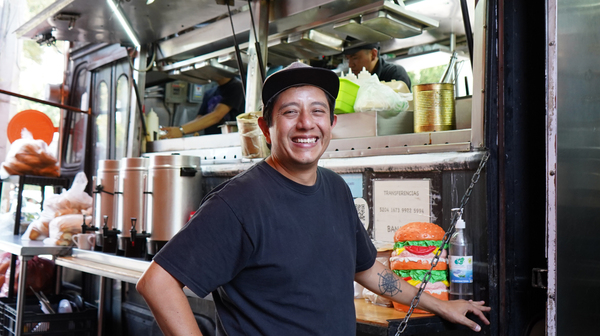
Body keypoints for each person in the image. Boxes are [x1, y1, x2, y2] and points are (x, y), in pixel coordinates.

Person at [136, 62, 490, 335]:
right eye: (290, 112)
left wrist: (441, 306)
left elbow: (366, 269)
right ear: (265, 127)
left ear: (332, 123)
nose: (306, 123)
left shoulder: (336, 189)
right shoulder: (239, 202)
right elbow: (157, 282)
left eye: (317, 111)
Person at [161, 75, 245, 138]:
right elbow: (199, 118)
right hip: (210, 140)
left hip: (229, 140)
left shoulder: (236, 87)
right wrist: (193, 131)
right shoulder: (209, 92)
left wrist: (181, 130)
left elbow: (217, 115)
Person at [344, 42, 412, 88]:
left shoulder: (395, 73)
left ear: (373, 54)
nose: (350, 65)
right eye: (347, 59)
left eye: (355, 58)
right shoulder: (353, 80)